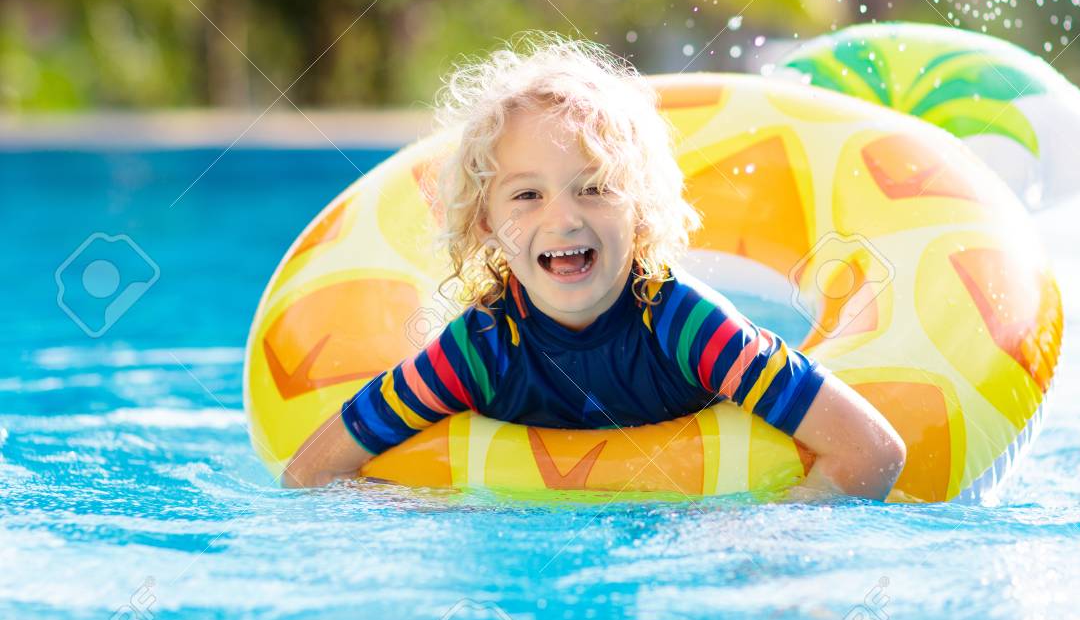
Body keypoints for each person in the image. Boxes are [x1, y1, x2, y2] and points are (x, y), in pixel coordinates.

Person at [282, 34, 905, 499]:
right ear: (485, 225)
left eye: (595, 187)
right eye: (527, 195)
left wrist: (770, 539)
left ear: (640, 212)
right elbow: (310, 474)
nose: (564, 219)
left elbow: (872, 451)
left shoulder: (687, 326)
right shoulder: (478, 350)